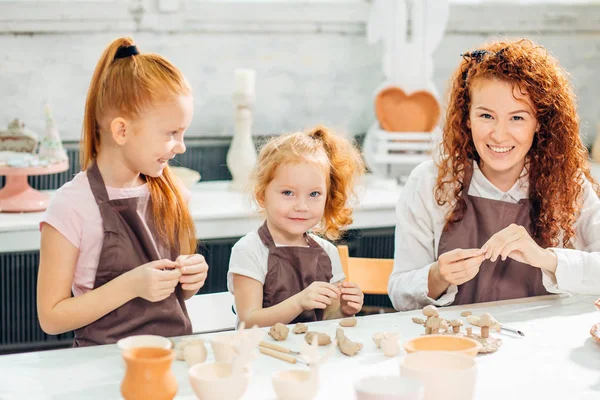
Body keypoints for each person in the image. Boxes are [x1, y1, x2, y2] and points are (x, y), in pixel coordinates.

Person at [388, 39, 600, 311]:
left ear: (539, 122)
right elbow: (399, 294)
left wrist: (545, 258)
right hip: (457, 342)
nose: (499, 135)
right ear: (467, 118)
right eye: (486, 116)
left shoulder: (568, 185)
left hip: (542, 343)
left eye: (517, 118)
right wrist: (437, 276)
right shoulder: (429, 183)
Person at [37, 37, 208, 346]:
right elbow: (51, 317)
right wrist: (130, 285)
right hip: (100, 368)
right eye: (171, 133)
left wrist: (191, 278)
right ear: (121, 131)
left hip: (171, 358)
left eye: (183, 133)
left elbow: (179, 293)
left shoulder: (175, 193)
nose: (180, 146)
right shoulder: (71, 205)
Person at [228, 126, 366, 327]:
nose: (302, 206)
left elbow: (329, 319)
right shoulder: (249, 250)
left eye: (314, 194)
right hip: (261, 354)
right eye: (287, 193)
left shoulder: (328, 253)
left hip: (312, 353)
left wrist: (344, 310)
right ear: (261, 196)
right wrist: (299, 302)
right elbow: (248, 322)